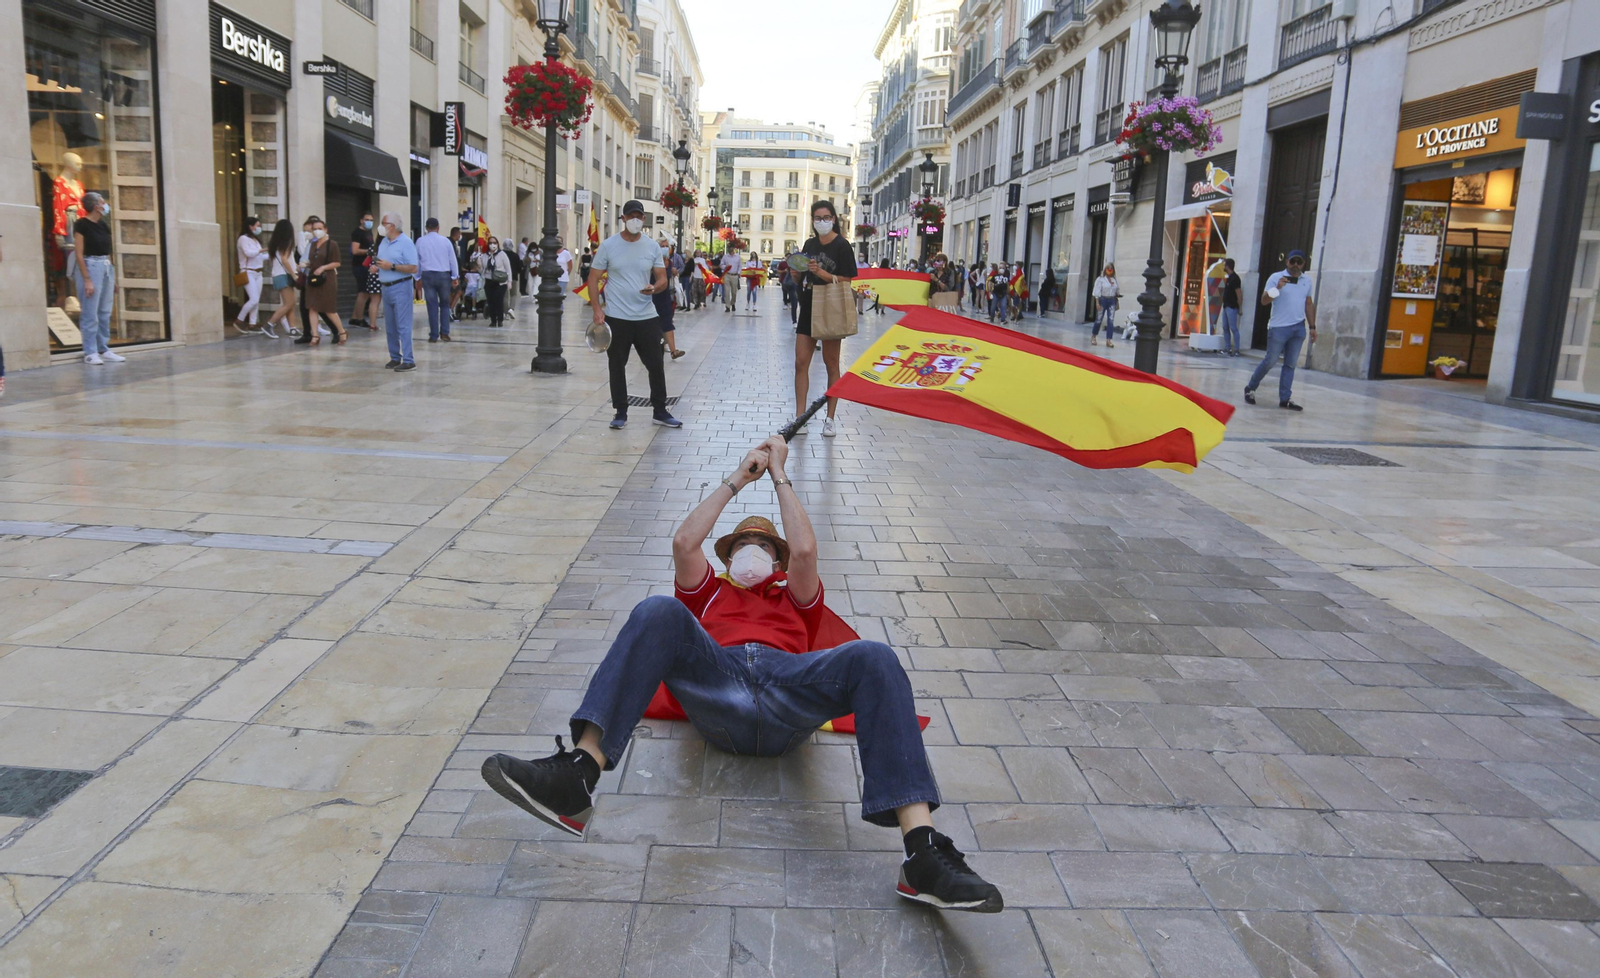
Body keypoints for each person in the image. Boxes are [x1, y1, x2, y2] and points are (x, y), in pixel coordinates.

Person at [479, 436, 1004, 914]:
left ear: (774, 560)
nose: (754, 548)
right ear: (729, 556)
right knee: (658, 610)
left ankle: (923, 852)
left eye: (763, 545)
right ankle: (578, 774)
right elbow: (686, 543)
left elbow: (804, 550)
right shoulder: (710, 591)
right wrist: (738, 478)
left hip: (789, 688)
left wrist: (778, 474)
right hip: (720, 681)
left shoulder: (795, 598)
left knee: (875, 657)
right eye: (743, 544)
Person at [588, 199, 680, 430]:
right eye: (632, 216)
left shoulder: (651, 247)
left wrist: (655, 287)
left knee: (656, 364)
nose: (636, 220)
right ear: (624, 219)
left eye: (640, 217)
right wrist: (597, 309)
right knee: (617, 365)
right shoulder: (609, 246)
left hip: (646, 316)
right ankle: (620, 411)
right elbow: (592, 278)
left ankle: (660, 410)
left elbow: (662, 277)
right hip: (617, 316)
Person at [795, 200, 856, 439]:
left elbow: (848, 280)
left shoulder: (843, 246)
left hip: (830, 307)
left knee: (831, 363)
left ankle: (830, 418)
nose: (822, 221)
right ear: (812, 220)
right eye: (817, 218)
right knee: (801, 362)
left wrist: (823, 273)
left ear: (833, 219)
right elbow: (802, 276)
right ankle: (801, 417)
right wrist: (796, 273)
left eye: (826, 217)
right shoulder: (809, 243)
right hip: (809, 305)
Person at [1245, 249, 1315, 411]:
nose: (1295, 265)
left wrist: (1312, 326)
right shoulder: (1275, 278)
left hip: (1298, 327)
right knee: (1270, 361)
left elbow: (1308, 303)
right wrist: (1277, 288)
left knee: (1290, 364)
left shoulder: (1307, 281)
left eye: (1299, 261)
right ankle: (1250, 388)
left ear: (1304, 263)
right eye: (1293, 261)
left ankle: (1285, 398)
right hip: (1278, 327)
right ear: (1287, 262)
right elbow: (1264, 301)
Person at [72, 191, 122, 365]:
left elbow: (108, 251)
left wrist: (112, 277)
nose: (105, 205)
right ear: (96, 206)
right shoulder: (81, 225)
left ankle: (103, 347)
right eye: (102, 202)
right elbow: (79, 253)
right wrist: (87, 279)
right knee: (90, 311)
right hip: (90, 265)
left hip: (105, 267)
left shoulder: (103, 225)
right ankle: (90, 350)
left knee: (104, 310)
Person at [373, 212, 419, 369]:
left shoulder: (406, 243)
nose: (380, 226)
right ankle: (394, 356)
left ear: (391, 226)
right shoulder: (383, 242)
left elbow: (413, 267)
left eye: (383, 223)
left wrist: (391, 266)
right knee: (390, 325)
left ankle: (408, 360)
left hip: (401, 286)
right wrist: (376, 266)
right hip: (385, 286)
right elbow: (382, 261)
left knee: (403, 324)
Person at [302, 216, 348, 347]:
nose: (317, 231)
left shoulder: (331, 244)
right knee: (312, 307)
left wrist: (323, 267)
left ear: (325, 229)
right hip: (313, 277)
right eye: (315, 229)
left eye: (320, 229)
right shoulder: (312, 244)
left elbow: (337, 262)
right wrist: (305, 264)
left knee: (328, 308)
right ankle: (315, 335)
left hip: (327, 278)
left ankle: (341, 331)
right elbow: (312, 260)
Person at [417, 218, 460, 343]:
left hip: (427, 275)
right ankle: (445, 332)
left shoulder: (420, 241)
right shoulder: (445, 241)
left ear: (426, 228)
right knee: (445, 304)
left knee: (432, 305)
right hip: (443, 275)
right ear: (438, 227)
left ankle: (433, 334)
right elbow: (452, 259)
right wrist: (455, 276)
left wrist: (417, 277)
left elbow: (417, 261)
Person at [262, 219, 299, 338]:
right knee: (289, 304)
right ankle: (269, 324)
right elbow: (285, 259)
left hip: (278, 275)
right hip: (284, 275)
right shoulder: (287, 242)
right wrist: (294, 274)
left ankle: (293, 328)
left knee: (290, 304)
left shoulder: (275, 244)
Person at [235, 216, 268, 335]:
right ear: (250, 226)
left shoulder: (255, 239)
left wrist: (271, 254)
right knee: (253, 299)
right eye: (257, 225)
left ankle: (252, 324)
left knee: (256, 300)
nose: (259, 228)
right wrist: (262, 250)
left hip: (258, 272)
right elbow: (249, 254)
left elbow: (260, 257)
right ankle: (239, 320)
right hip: (247, 271)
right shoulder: (243, 239)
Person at [654, 240, 685, 361]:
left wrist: (675, 273)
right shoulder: (653, 262)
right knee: (652, 324)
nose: (665, 248)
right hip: (652, 296)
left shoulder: (670, 262)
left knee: (667, 323)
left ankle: (673, 350)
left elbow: (673, 277)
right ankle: (652, 348)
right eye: (662, 246)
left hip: (665, 296)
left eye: (667, 246)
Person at [350, 212, 380, 331]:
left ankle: (354, 317)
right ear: (361, 220)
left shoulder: (369, 232)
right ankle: (359, 318)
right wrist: (370, 251)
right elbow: (355, 250)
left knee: (365, 291)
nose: (369, 222)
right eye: (367, 219)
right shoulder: (357, 233)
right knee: (363, 292)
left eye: (371, 220)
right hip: (360, 265)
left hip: (367, 265)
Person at [481, 235, 514, 328]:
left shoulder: (502, 254)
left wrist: (509, 281)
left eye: (494, 243)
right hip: (489, 280)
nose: (492, 245)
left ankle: (500, 319)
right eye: (490, 243)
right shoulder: (484, 255)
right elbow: (483, 269)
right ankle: (493, 320)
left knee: (498, 300)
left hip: (500, 281)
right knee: (490, 301)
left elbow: (508, 268)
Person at [1091, 264, 1119, 347]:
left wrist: (1117, 293)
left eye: (1111, 268)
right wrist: (1097, 302)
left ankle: (1109, 340)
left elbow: (1117, 289)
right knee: (1099, 319)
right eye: (1108, 268)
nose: (1109, 270)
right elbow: (1097, 290)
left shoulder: (1114, 280)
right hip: (1103, 299)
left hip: (1112, 300)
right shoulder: (1100, 279)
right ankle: (1094, 336)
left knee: (1111, 320)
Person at [1220, 257, 1242, 357]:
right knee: (1225, 326)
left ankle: (1236, 349)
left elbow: (1238, 293)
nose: (1224, 267)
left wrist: (1240, 307)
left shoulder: (1235, 278)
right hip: (1226, 305)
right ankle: (1227, 347)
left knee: (1233, 327)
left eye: (1225, 265)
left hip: (1232, 306)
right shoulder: (1229, 278)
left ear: (1228, 266)